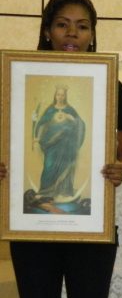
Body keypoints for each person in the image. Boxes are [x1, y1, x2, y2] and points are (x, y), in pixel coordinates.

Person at [0, 0, 122, 298]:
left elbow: (120, 155)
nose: (72, 33)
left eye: (82, 26)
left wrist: (119, 168)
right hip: (32, 235)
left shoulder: (112, 89)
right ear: (47, 30)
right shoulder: (15, 84)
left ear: (93, 34)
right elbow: (17, 142)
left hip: (91, 234)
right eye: (62, 24)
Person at [29, 85, 87, 214]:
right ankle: (45, 192)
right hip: (51, 144)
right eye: (58, 94)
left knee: (65, 167)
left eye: (62, 95)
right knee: (49, 166)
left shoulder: (70, 110)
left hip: (65, 145)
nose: (60, 97)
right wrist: (36, 134)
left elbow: (80, 124)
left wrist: (71, 118)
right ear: (55, 96)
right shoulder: (50, 110)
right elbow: (40, 124)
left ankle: (63, 191)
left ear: (65, 96)